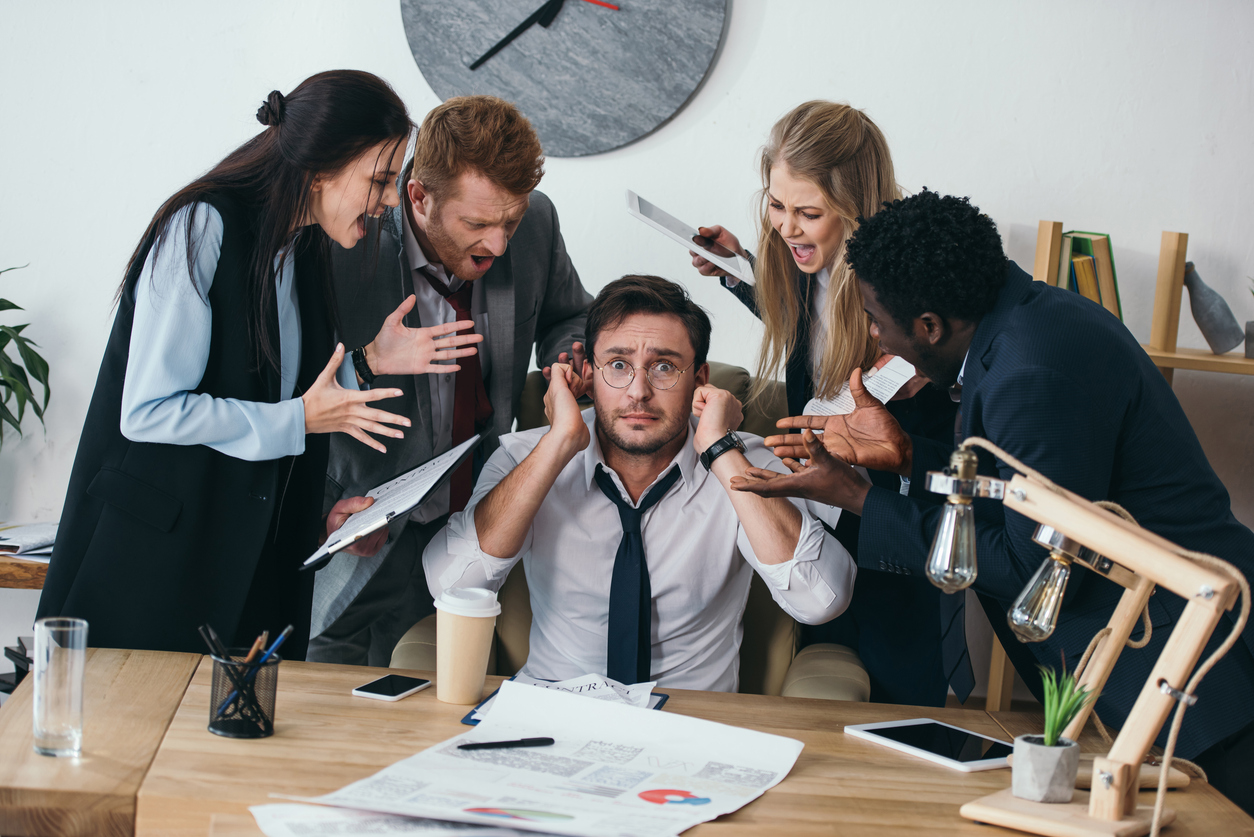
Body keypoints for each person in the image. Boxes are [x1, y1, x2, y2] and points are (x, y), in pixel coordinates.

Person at [733, 189, 1254, 814]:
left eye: (875, 318)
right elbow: (1022, 487)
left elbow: (1033, 566)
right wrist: (908, 454)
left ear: (929, 325)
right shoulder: (1025, 322)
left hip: (1194, 671)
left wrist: (857, 497)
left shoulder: (1030, 371)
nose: (872, 333)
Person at [37, 71, 484, 659]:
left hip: (246, 564)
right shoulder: (200, 225)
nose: (388, 202)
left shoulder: (303, 246)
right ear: (320, 168)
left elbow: (272, 399)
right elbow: (150, 411)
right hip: (157, 566)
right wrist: (301, 418)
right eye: (379, 180)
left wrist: (369, 364)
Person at [423, 275, 855, 690]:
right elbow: (452, 586)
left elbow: (822, 601)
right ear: (589, 374)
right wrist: (558, 443)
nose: (638, 392)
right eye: (618, 365)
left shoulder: (745, 463)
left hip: (691, 722)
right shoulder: (525, 457)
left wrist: (719, 449)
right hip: (552, 712)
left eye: (664, 367)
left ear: (699, 381)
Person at [689, 101, 962, 706]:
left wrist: (922, 371)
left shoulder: (909, 289)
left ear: (856, 208)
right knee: (825, 655)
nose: (787, 228)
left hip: (895, 512)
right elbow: (806, 326)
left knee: (898, 679)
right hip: (822, 507)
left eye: (809, 213)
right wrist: (739, 270)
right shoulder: (801, 264)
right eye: (777, 206)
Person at [309, 96, 593, 666]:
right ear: (418, 196)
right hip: (354, 520)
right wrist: (317, 514)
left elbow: (571, 315)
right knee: (316, 685)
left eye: (510, 221)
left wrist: (566, 358)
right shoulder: (340, 243)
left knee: (433, 692)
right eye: (478, 224)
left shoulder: (537, 223)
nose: (499, 244)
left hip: (463, 522)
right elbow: (289, 390)